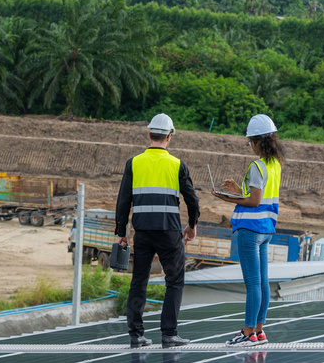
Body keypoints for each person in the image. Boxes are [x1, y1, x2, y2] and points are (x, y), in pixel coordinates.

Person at [116, 113, 199, 348]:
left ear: (148, 134)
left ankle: (136, 336)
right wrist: (192, 226)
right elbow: (192, 200)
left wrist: (121, 231)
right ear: (169, 137)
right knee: (174, 281)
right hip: (169, 233)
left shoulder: (134, 163)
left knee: (139, 281)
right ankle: (169, 334)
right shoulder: (177, 165)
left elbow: (123, 201)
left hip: (141, 231)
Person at [213, 114, 284, 347]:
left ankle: (247, 333)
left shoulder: (256, 166)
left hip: (249, 230)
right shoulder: (274, 165)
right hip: (266, 229)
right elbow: (259, 196)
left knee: (253, 284)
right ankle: (259, 331)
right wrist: (236, 189)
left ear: (256, 142)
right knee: (262, 282)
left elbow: (253, 201)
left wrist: (225, 198)